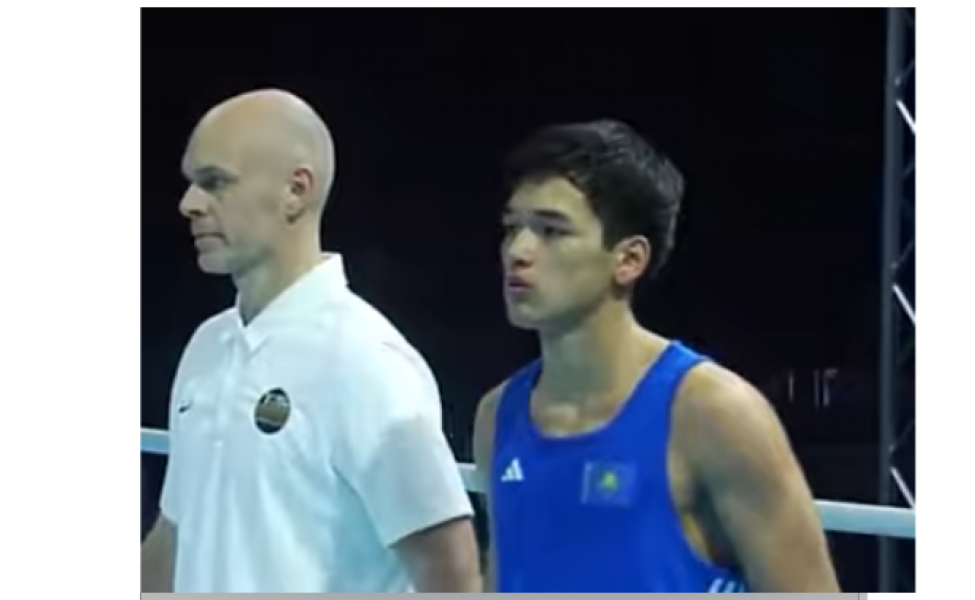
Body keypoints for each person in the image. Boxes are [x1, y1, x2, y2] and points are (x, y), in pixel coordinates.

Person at [472, 120, 840, 592]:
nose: (517, 251)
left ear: (629, 260)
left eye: (551, 231)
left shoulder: (715, 413)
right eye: (512, 228)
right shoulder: (497, 416)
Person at [140, 89, 481, 593]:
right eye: (191, 183)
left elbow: (452, 573)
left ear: (296, 191)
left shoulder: (365, 360)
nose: (189, 203)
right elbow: (174, 539)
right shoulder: (207, 347)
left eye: (215, 182)